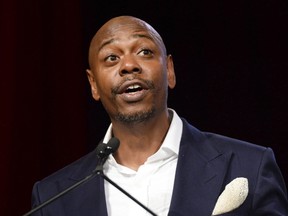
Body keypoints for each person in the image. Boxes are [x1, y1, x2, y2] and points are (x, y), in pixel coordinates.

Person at [29, 15, 288, 216]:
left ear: (170, 70)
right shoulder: (55, 197)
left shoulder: (249, 166)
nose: (129, 65)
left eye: (144, 52)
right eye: (111, 57)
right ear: (93, 84)